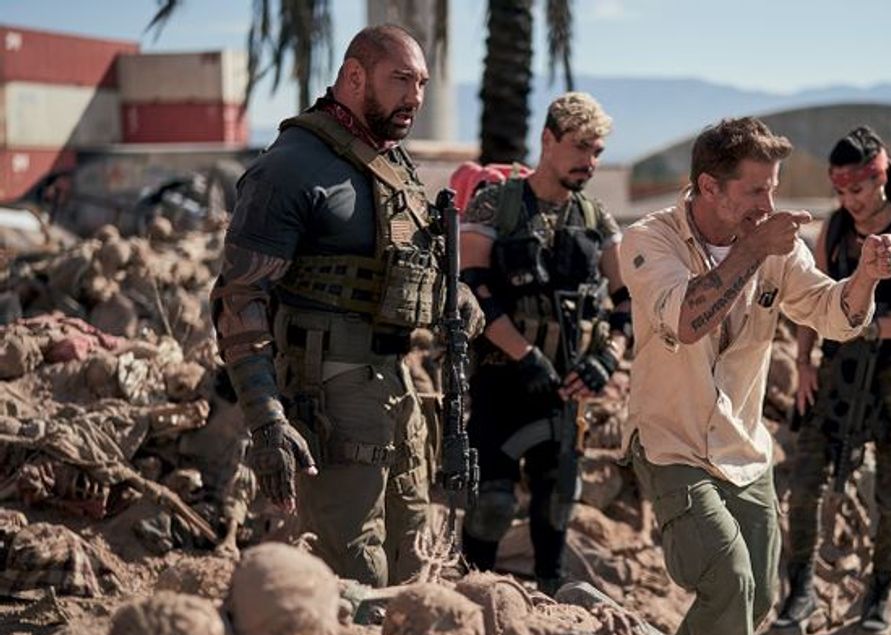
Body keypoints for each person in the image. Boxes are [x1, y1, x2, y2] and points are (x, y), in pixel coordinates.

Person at [619, 117, 891, 635]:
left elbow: (830, 313)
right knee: (728, 578)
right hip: (671, 443)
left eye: (772, 189)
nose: (768, 204)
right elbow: (685, 320)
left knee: (758, 596)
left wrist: (866, 277)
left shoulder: (774, 246)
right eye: (755, 191)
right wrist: (753, 250)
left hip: (743, 447)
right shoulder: (650, 240)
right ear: (709, 186)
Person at [210, 25, 480, 589]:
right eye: (400, 79)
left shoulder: (391, 164)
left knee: (416, 560)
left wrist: (454, 294)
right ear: (355, 77)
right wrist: (267, 419)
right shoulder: (290, 168)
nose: (415, 97)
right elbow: (239, 298)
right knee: (354, 571)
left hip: (396, 386)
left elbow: (405, 260)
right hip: (329, 393)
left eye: (422, 83)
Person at [769, 125, 891, 635]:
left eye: (858, 189)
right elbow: (813, 300)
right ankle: (800, 593)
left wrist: (874, 328)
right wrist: (803, 362)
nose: (850, 200)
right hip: (836, 375)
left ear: (880, 178)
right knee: (805, 485)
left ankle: (879, 596)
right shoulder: (835, 229)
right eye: (841, 191)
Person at [458, 93, 629, 596]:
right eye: (579, 147)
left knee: (557, 504)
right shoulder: (497, 203)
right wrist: (525, 355)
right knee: (492, 503)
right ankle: (473, 595)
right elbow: (473, 290)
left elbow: (627, 303)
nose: (589, 161)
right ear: (548, 140)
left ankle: (551, 599)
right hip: (502, 380)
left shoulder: (597, 219)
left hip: (567, 389)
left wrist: (607, 359)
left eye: (597, 151)